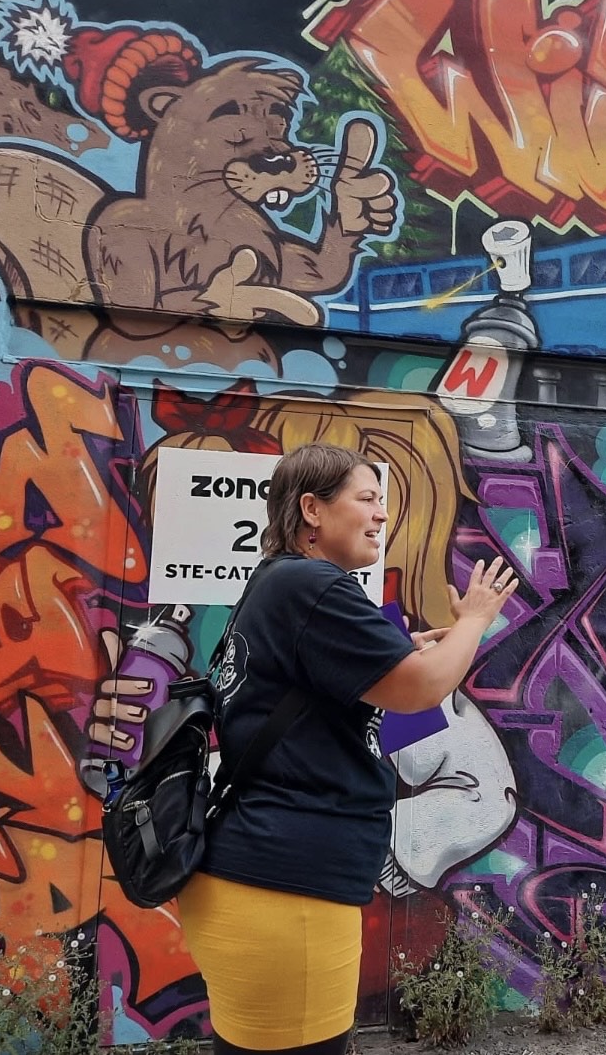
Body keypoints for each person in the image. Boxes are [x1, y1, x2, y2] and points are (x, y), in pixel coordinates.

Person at [176, 441, 518, 1055]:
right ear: (312, 509)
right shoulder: (313, 585)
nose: (382, 515)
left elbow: (350, 684)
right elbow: (420, 690)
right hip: (287, 891)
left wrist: (403, 648)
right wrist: (474, 620)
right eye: (367, 499)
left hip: (262, 881)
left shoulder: (278, 584)